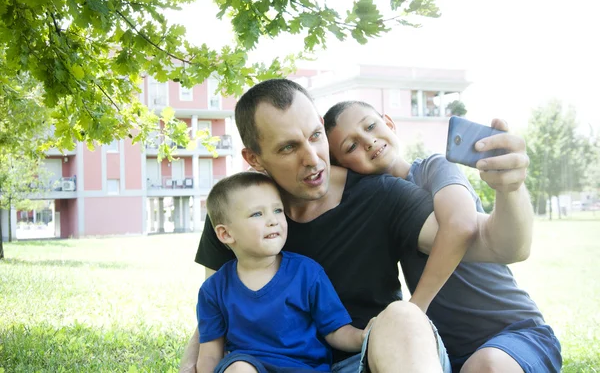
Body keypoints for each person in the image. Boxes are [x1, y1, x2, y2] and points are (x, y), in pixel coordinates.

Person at [181, 79, 534, 373]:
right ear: (254, 159)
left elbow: (500, 245)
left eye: (315, 136)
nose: (312, 158)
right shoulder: (238, 209)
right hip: (271, 364)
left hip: (370, 358)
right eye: (289, 147)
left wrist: (512, 190)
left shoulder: (383, 195)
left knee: (402, 317)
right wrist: (191, 364)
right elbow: (216, 309)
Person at [323, 100, 561, 373]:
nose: (367, 140)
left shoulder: (431, 168)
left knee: (486, 365)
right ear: (342, 167)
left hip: (513, 333)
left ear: (389, 123)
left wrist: (414, 311)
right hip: (449, 353)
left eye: (371, 126)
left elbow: (460, 224)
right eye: (350, 146)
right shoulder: (374, 210)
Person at [197, 171, 369, 373]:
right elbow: (210, 354)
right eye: (257, 214)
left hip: (306, 368)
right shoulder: (214, 289)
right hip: (251, 366)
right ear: (226, 234)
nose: (273, 220)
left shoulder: (306, 272)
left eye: (278, 210)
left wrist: (363, 337)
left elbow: (335, 330)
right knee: (238, 368)